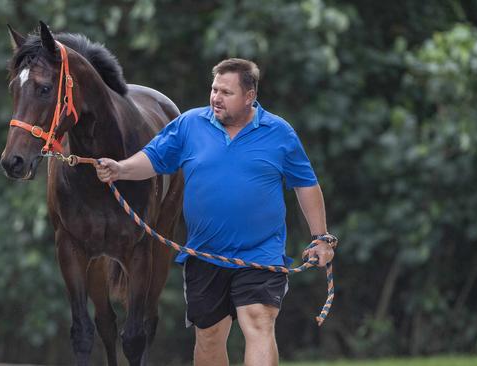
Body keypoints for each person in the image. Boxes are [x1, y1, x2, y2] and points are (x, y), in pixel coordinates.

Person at [95, 58, 335, 366]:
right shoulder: (190, 124)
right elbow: (153, 159)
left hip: (260, 253)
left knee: (259, 322)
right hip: (205, 253)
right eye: (214, 89)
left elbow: (306, 185)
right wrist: (120, 169)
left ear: (250, 96)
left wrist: (322, 238)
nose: (216, 98)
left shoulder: (279, 133)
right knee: (209, 336)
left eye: (226, 92)